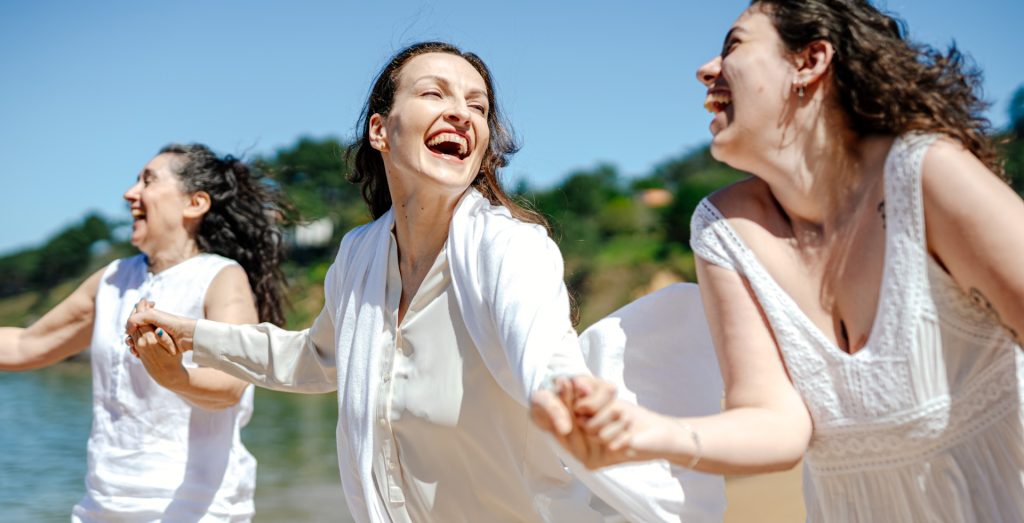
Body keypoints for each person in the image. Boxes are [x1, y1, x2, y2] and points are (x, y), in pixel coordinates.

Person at [126, 42, 724, 522]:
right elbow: (315, 357)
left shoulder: (510, 246)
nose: (461, 114)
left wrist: (562, 396)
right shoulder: (359, 255)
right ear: (381, 131)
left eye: (479, 106)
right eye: (434, 93)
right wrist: (193, 336)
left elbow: (541, 350)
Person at [532, 1, 1024, 521]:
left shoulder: (926, 173)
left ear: (809, 62)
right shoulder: (722, 227)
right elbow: (775, 421)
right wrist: (648, 432)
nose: (706, 70)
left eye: (734, 46)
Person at [0, 144, 289, 521]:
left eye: (148, 180)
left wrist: (174, 375)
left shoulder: (221, 277)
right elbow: (26, 344)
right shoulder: (113, 279)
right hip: (100, 508)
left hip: (194, 510)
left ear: (195, 203)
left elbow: (229, 387)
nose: (129, 193)